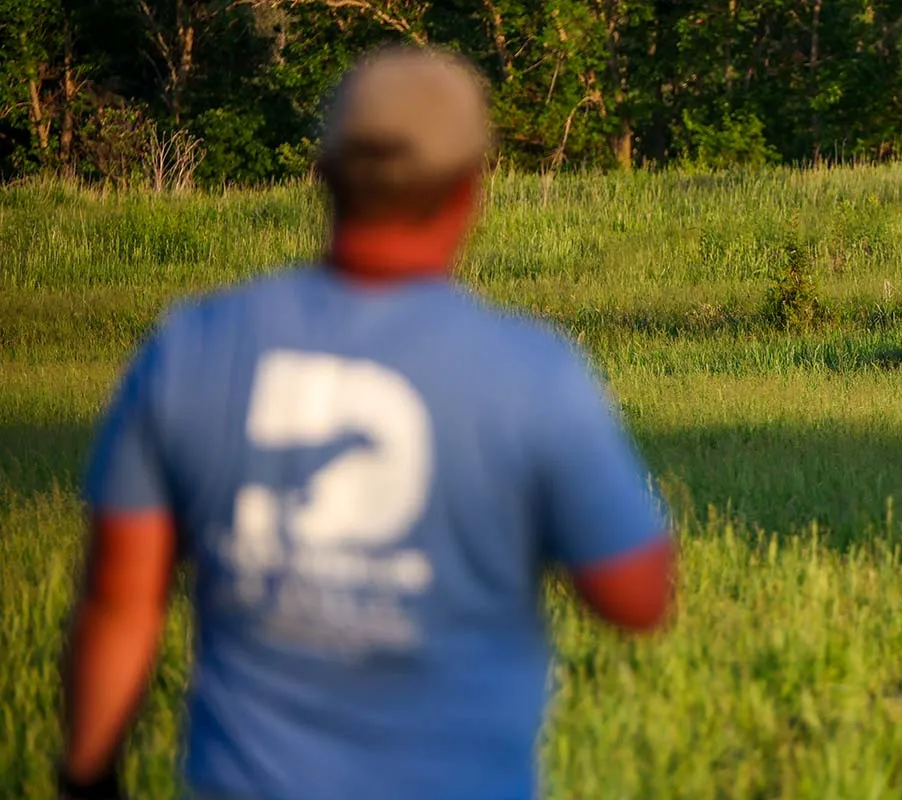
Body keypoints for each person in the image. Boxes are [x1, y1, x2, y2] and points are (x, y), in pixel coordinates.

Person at [58, 45, 675, 800]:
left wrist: (86, 778)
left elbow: (120, 601)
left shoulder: (191, 345)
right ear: (468, 190)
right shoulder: (531, 372)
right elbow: (638, 597)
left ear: (325, 177)